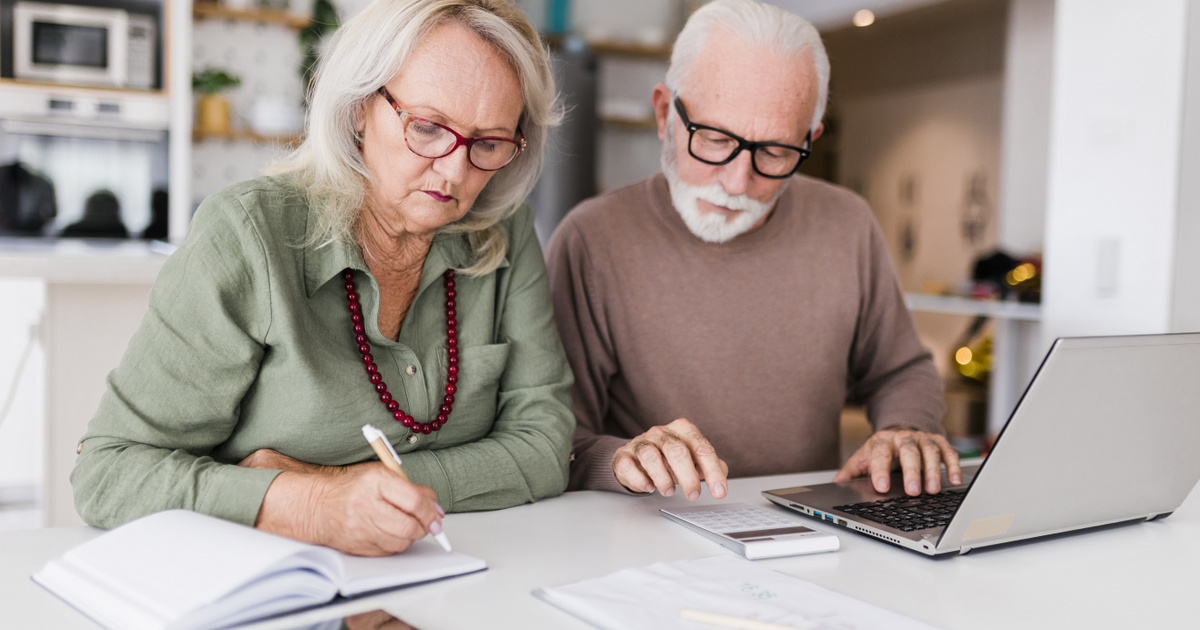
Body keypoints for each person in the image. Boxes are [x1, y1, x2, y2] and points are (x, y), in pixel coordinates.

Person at [72, 0, 573, 557]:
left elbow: (546, 446)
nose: (455, 170)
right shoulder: (248, 232)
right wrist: (305, 506)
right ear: (359, 107)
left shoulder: (504, 233)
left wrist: (344, 485)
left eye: (489, 143)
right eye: (428, 128)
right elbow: (109, 472)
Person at [545, 0, 959, 502]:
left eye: (776, 152)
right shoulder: (591, 240)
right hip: (649, 525)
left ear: (811, 139)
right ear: (664, 112)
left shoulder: (848, 223)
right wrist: (622, 459)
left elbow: (901, 369)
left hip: (808, 523)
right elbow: (556, 438)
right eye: (715, 139)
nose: (737, 182)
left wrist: (905, 428)